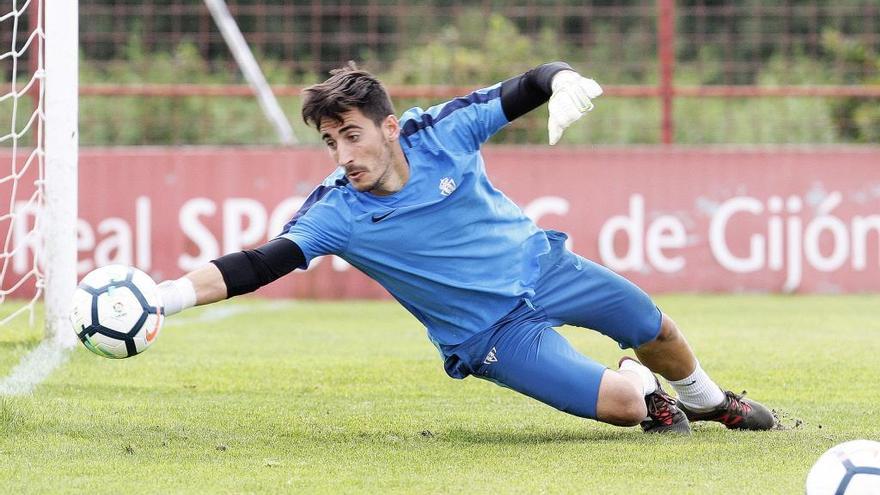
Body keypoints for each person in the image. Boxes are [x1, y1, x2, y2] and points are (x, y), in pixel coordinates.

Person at [156, 61, 776, 434]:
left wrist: (562, 82)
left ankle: (710, 401)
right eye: (329, 142)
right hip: (492, 335)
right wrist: (169, 296)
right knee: (624, 408)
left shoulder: (442, 132)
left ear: (389, 128)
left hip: (545, 267)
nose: (344, 156)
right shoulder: (336, 212)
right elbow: (259, 264)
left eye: (352, 135)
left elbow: (529, 83)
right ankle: (640, 390)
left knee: (656, 327)